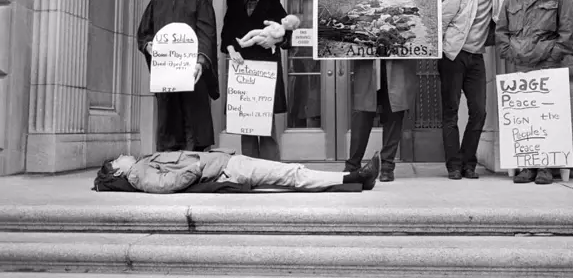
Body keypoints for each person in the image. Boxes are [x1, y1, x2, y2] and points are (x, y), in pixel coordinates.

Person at [496, 0, 573, 185]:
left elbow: (569, 31)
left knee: (547, 117)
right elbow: (501, 31)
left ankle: (545, 167)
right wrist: (510, 53)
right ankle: (526, 165)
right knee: (524, 118)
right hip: (520, 66)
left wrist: (552, 56)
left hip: (549, 65)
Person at [345, 0, 418, 183]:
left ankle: (387, 166)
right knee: (362, 114)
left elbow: (416, 21)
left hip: (396, 62)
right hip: (369, 63)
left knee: (393, 113)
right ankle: (352, 164)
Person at [137, 0, 219, 152]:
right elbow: (144, 33)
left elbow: (206, 32)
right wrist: (149, 46)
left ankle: (194, 160)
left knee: (193, 117)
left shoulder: (200, 0)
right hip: (166, 74)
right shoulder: (156, 3)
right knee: (168, 116)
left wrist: (201, 61)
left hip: (191, 71)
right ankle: (169, 162)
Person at [439, 0, 503, 180]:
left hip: (476, 58)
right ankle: (454, 166)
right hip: (453, 56)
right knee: (451, 111)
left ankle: (468, 162)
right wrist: (441, 53)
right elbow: (441, 23)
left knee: (479, 111)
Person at [220, 0, 292, 161]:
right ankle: (250, 165)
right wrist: (231, 50)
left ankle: (271, 166)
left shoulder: (273, 1)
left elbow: (287, 31)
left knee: (265, 118)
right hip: (242, 67)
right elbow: (227, 33)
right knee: (246, 118)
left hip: (265, 67)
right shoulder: (234, 3)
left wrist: (276, 39)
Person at [95, 150, 380, 193]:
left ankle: (355, 179)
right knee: (291, 174)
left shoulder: (141, 164)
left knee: (290, 173)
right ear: (117, 171)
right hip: (227, 169)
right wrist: (199, 166)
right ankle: (356, 177)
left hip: (227, 163)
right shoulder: (137, 173)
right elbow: (167, 184)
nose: (122, 155)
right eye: (117, 159)